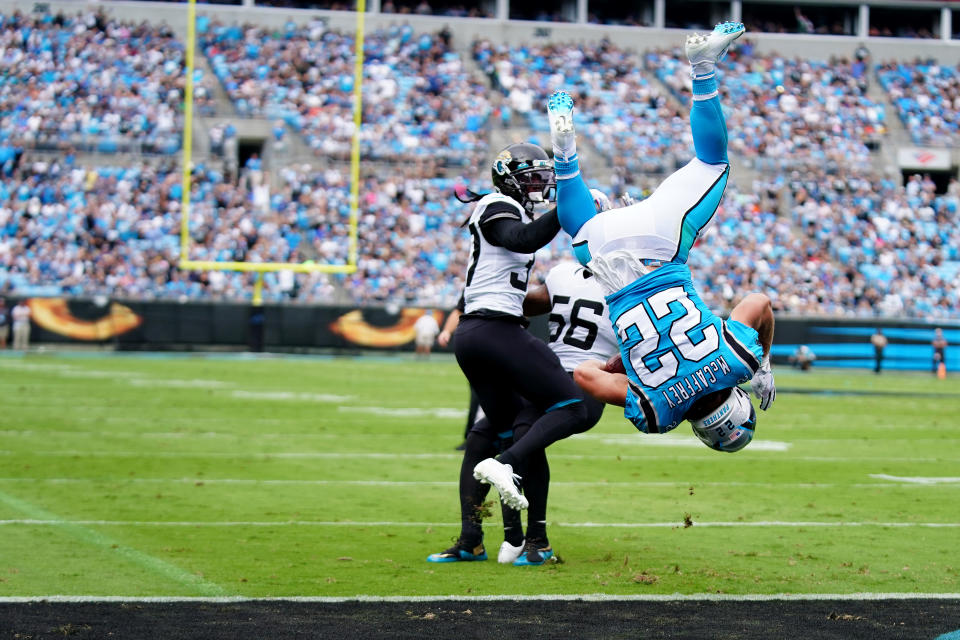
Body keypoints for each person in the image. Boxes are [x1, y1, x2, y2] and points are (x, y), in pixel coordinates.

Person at [479, 23, 775, 513]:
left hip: (663, 244)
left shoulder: (735, 361)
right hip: (607, 260)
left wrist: (761, 362)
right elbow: (587, 378)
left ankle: (702, 68)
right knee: (580, 235)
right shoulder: (656, 411)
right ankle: (567, 156)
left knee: (713, 164)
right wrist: (626, 364)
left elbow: (758, 302)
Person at [426, 142, 592, 562]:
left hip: (477, 334)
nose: (539, 183)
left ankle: (478, 539)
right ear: (508, 176)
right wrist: (566, 206)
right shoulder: (496, 204)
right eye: (532, 175)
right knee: (572, 403)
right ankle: (517, 495)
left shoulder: (506, 206)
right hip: (495, 329)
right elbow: (521, 239)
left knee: (492, 433)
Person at [428, 260, 615, 566]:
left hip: (587, 377)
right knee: (480, 438)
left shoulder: (627, 284)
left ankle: (536, 540)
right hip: (548, 374)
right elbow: (526, 304)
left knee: (524, 432)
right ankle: (471, 540)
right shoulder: (563, 273)